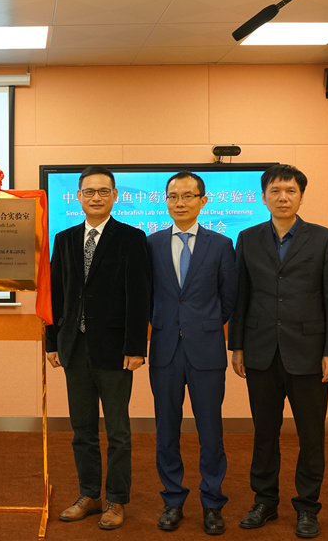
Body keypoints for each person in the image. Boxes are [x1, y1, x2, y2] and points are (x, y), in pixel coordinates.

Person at [229, 164, 328, 540]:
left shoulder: (324, 238)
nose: (283, 197)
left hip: (310, 353)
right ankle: (264, 501)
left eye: (291, 191)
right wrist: (237, 346)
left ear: (301, 197)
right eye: (276, 191)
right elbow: (241, 296)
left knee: (311, 435)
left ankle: (307, 507)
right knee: (265, 432)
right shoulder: (247, 238)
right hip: (260, 351)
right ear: (263, 197)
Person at [46, 165, 151, 531]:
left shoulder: (132, 238)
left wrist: (136, 347)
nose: (96, 197)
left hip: (115, 350)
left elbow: (140, 296)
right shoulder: (64, 239)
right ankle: (89, 494)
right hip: (74, 348)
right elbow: (56, 293)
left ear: (115, 196)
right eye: (89, 191)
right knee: (82, 430)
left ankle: (116, 499)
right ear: (78, 196)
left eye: (103, 191)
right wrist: (52, 341)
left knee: (118, 433)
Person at [147, 172, 237, 535]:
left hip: (206, 350)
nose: (180, 202)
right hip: (165, 349)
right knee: (166, 431)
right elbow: (147, 295)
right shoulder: (151, 243)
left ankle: (212, 503)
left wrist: (205, 324)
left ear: (203, 200)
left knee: (211, 432)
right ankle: (172, 500)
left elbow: (228, 298)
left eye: (188, 196)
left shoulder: (221, 244)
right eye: (173, 196)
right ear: (165, 201)